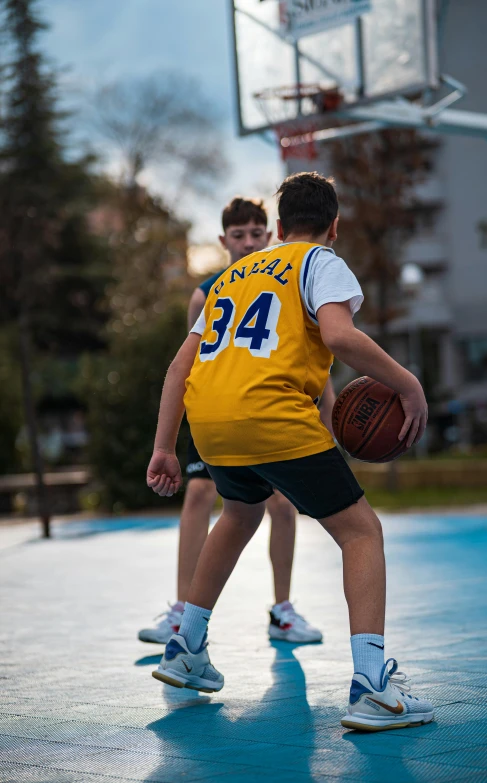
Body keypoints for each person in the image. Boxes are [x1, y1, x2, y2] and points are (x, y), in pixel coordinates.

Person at [146, 173, 434, 732]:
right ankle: (373, 687)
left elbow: (181, 365)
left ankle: (185, 647)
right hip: (272, 416)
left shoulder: (232, 276)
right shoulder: (318, 261)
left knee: (238, 514)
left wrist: (164, 447)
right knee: (361, 532)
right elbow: (341, 336)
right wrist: (409, 385)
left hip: (213, 424)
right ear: (333, 226)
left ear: (276, 228)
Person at [139, 197, 331, 646]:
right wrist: (171, 437)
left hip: (270, 411)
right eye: (239, 235)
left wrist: (328, 413)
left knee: (282, 504)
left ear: (271, 235)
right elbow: (190, 363)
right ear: (224, 241)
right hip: (216, 410)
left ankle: (282, 610)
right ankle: (183, 610)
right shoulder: (207, 292)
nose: (248, 242)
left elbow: (308, 355)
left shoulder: (284, 280)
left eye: (256, 233)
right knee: (200, 493)